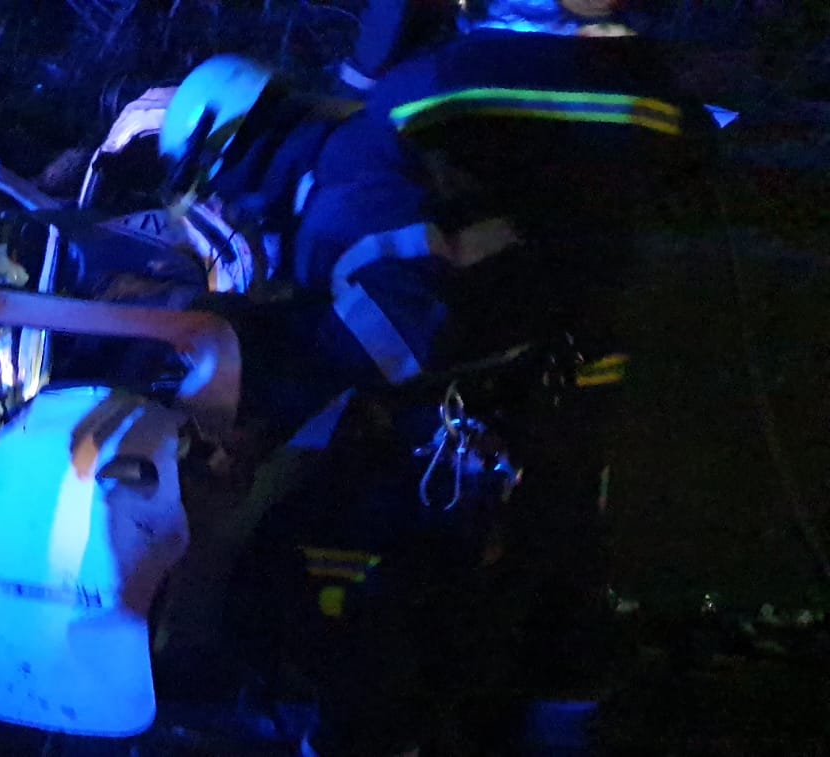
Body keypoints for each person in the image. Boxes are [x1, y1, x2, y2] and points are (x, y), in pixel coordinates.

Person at [157, 1, 714, 754]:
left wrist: (269, 387)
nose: (224, 208)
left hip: (485, 415)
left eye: (214, 187)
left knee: (366, 574)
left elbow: (400, 322)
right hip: (542, 394)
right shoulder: (344, 163)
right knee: (536, 587)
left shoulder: (343, 186)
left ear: (234, 149)